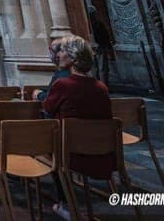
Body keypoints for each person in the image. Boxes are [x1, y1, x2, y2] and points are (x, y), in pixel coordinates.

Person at [42, 36, 114, 221]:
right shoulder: (101, 88)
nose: (59, 55)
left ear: (73, 58)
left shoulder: (63, 84)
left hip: (68, 154)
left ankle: (64, 202)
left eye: (63, 51)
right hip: (103, 155)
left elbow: (47, 108)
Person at [31, 38, 70, 103]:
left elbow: (51, 100)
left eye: (51, 50)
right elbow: (53, 90)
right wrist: (41, 90)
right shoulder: (60, 71)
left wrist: (38, 94)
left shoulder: (64, 75)